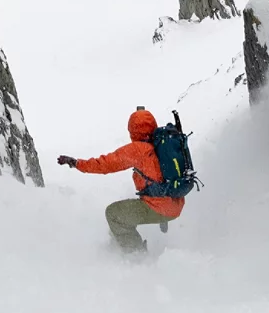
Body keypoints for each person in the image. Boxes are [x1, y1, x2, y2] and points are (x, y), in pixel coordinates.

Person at [58, 107, 184, 253]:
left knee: (113, 214)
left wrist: (77, 163)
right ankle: (120, 246)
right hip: (176, 202)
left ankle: (137, 256)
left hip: (159, 206)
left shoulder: (138, 150)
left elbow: (106, 164)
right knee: (125, 213)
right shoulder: (163, 144)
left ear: (133, 131)